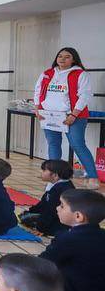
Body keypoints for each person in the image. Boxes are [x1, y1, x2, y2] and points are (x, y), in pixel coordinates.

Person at [34, 47, 97, 187]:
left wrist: (74, 114)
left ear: (73, 59)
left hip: (73, 116)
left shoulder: (80, 74)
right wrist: (37, 108)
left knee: (78, 145)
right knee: (53, 144)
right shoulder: (47, 73)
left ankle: (93, 177)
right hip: (50, 115)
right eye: (60, 56)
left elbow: (85, 95)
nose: (62, 59)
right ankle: (53, 176)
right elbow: (37, 91)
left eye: (67, 56)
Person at [39, 189, 105, 291]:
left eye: (62, 206)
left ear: (78, 216)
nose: (57, 208)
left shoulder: (68, 239)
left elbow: (42, 263)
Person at [19, 160, 74, 236]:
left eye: (44, 170)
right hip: (55, 217)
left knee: (25, 218)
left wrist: (41, 228)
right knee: (25, 215)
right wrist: (31, 210)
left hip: (59, 222)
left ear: (55, 175)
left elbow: (50, 211)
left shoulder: (58, 189)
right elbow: (43, 203)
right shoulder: (57, 185)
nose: (41, 173)